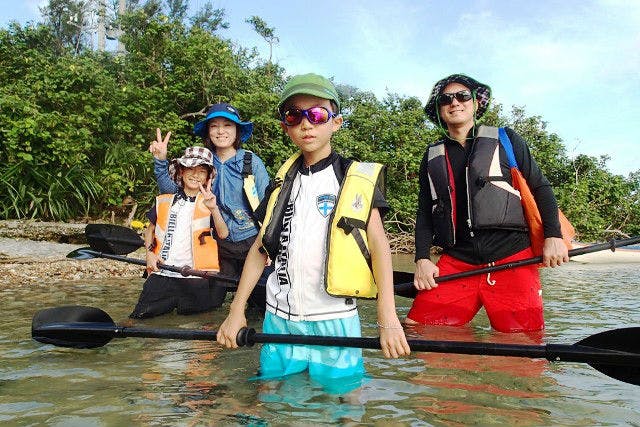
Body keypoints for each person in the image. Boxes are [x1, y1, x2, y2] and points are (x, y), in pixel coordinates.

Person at [216, 73, 410, 391]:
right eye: (295, 115)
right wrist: (236, 311)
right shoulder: (279, 184)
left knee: (346, 400)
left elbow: (379, 245)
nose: (307, 124)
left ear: (336, 122)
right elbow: (259, 249)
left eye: (317, 114)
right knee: (271, 393)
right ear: (286, 127)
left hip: (336, 320)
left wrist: (387, 318)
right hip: (279, 319)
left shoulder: (352, 176)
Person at [406, 74, 569, 332]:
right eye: (446, 99)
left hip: (512, 257)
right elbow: (426, 211)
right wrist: (422, 259)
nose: (455, 102)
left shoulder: (506, 140)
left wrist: (553, 236)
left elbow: (541, 187)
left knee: (522, 345)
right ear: (439, 109)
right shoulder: (431, 155)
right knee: (417, 329)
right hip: (458, 258)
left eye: (463, 96)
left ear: (476, 104)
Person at [149, 103, 270, 308]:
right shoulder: (202, 161)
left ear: (237, 131)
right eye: (214, 126)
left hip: (251, 242)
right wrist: (161, 161)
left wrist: (269, 247)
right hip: (216, 245)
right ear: (208, 132)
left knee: (262, 306)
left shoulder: (251, 162)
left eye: (227, 125)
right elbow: (172, 191)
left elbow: (268, 207)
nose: (221, 131)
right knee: (207, 306)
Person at [130, 147, 229, 318]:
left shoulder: (210, 203)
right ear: (181, 171)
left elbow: (223, 234)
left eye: (201, 171)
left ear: (207, 177)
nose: (196, 175)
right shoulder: (165, 200)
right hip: (163, 272)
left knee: (197, 324)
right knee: (140, 318)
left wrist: (214, 209)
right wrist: (149, 255)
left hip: (197, 277)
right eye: (191, 169)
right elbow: (150, 230)